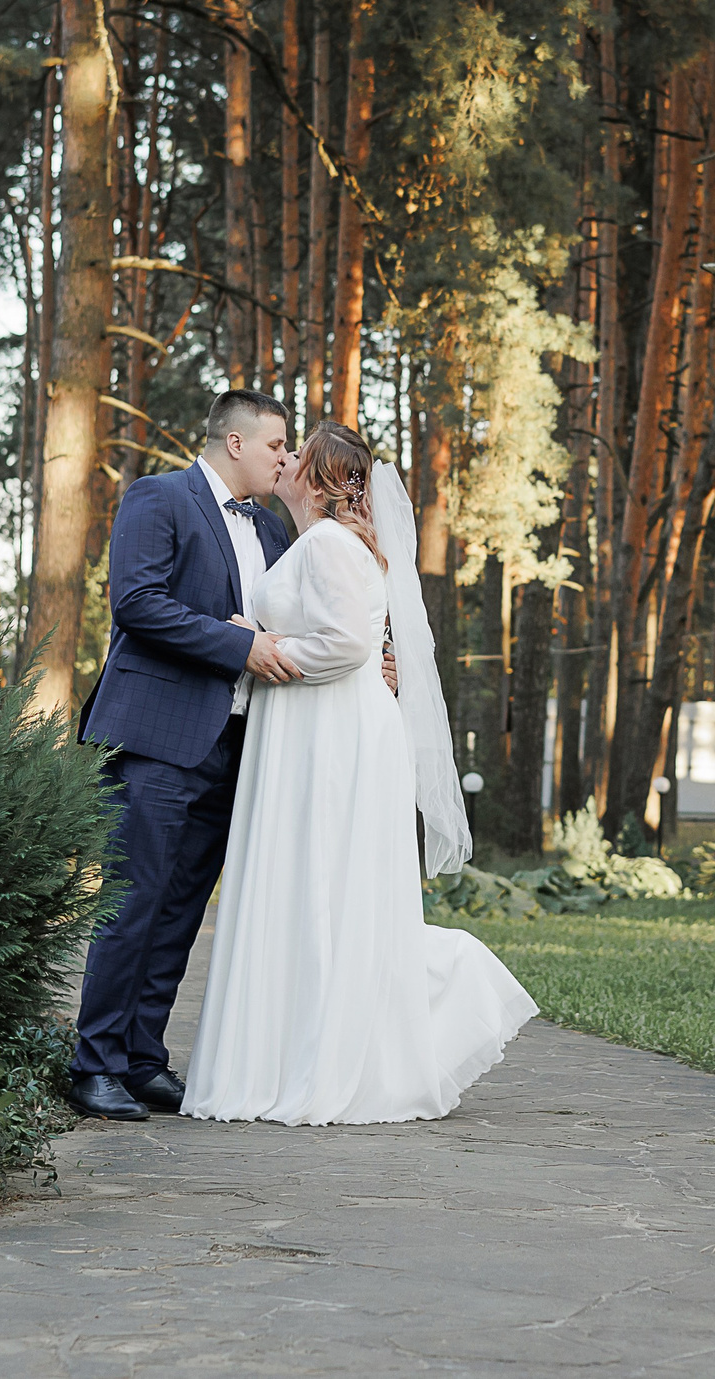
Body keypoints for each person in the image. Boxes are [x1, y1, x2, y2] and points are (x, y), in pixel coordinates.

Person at [181, 422, 535, 1124]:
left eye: (295, 454)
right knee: (317, 888)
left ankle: (369, 1039)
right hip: (316, 723)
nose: (281, 461)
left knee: (324, 887)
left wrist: (263, 645)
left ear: (317, 477)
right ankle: (307, 1046)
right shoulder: (320, 543)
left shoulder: (332, 545)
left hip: (330, 732)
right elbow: (347, 638)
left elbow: (342, 645)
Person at [63, 388, 302, 1122]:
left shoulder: (272, 530)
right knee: (134, 898)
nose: (283, 459)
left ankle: (141, 1059)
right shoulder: (157, 497)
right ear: (235, 442)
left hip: (234, 743)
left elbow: (301, 617)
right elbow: (137, 602)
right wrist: (239, 642)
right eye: (274, 447)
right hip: (158, 736)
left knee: (179, 909)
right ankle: (92, 1064)